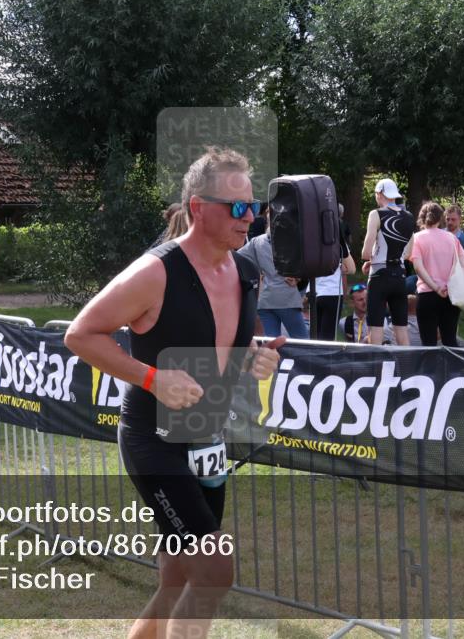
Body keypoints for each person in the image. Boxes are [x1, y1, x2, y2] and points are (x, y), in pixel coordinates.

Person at [63, 147, 283, 639]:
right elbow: (80, 334)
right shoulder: (155, 272)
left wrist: (257, 356)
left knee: (180, 575)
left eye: (254, 208)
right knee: (213, 571)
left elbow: (235, 342)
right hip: (153, 440)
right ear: (199, 208)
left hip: (206, 438)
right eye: (238, 208)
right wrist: (151, 377)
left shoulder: (246, 272)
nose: (250, 219)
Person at [238, 207, 309, 339]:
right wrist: (298, 275)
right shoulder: (295, 241)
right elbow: (310, 262)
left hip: (265, 300)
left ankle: (276, 360)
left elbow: (237, 258)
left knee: (271, 344)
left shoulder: (256, 242)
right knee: (302, 342)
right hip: (287, 298)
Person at [361, 178, 415, 345]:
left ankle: (375, 367)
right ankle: (406, 368)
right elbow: (409, 253)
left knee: (375, 326)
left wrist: (371, 259)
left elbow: (365, 252)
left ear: (380, 194)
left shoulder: (376, 214)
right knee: (401, 327)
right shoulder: (408, 217)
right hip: (399, 276)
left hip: (379, 277)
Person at [408, 202, 464, 347]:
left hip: (427, 294)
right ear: (441, 218)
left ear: (421, 218)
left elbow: (418, 268)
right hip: (450, 294)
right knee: (450, 340)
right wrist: (449, 284)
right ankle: (452, 370)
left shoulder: (417, 238)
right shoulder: (452, 238)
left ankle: (429, 370)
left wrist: (435, 287)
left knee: (428, 342)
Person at [312, 221, 355, 341]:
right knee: (328, 338)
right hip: (332, 292)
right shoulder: (338, 244)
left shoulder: (309, 243)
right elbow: (351, 269)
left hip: (313, 292)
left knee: (314, 335)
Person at [444, 204, 464, 270]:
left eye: (453, 219)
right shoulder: (438, 235)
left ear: (460, 219)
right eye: (448, 219)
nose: (450, 222)